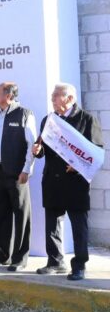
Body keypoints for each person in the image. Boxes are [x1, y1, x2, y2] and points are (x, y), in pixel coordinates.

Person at [33, 83, 104, 281]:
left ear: (69, 98)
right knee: (52, 224)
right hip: (52, 180)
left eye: (56, 96)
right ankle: (55, 262)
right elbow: (43, 147)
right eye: (52, 96)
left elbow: (96, 151)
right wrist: (37, 151)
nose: (52, 100)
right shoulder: (49, 120)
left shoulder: (87, 119)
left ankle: (79, 265)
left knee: (78, 225)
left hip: (75, 182)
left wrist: (79, 165)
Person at [0, 82, 37, 271]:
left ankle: (19, 258)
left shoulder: (25, 114)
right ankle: (2, 253)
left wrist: (27, 169)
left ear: (9, 95)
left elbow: (32, 145)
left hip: (16, 174)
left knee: (21, 216)